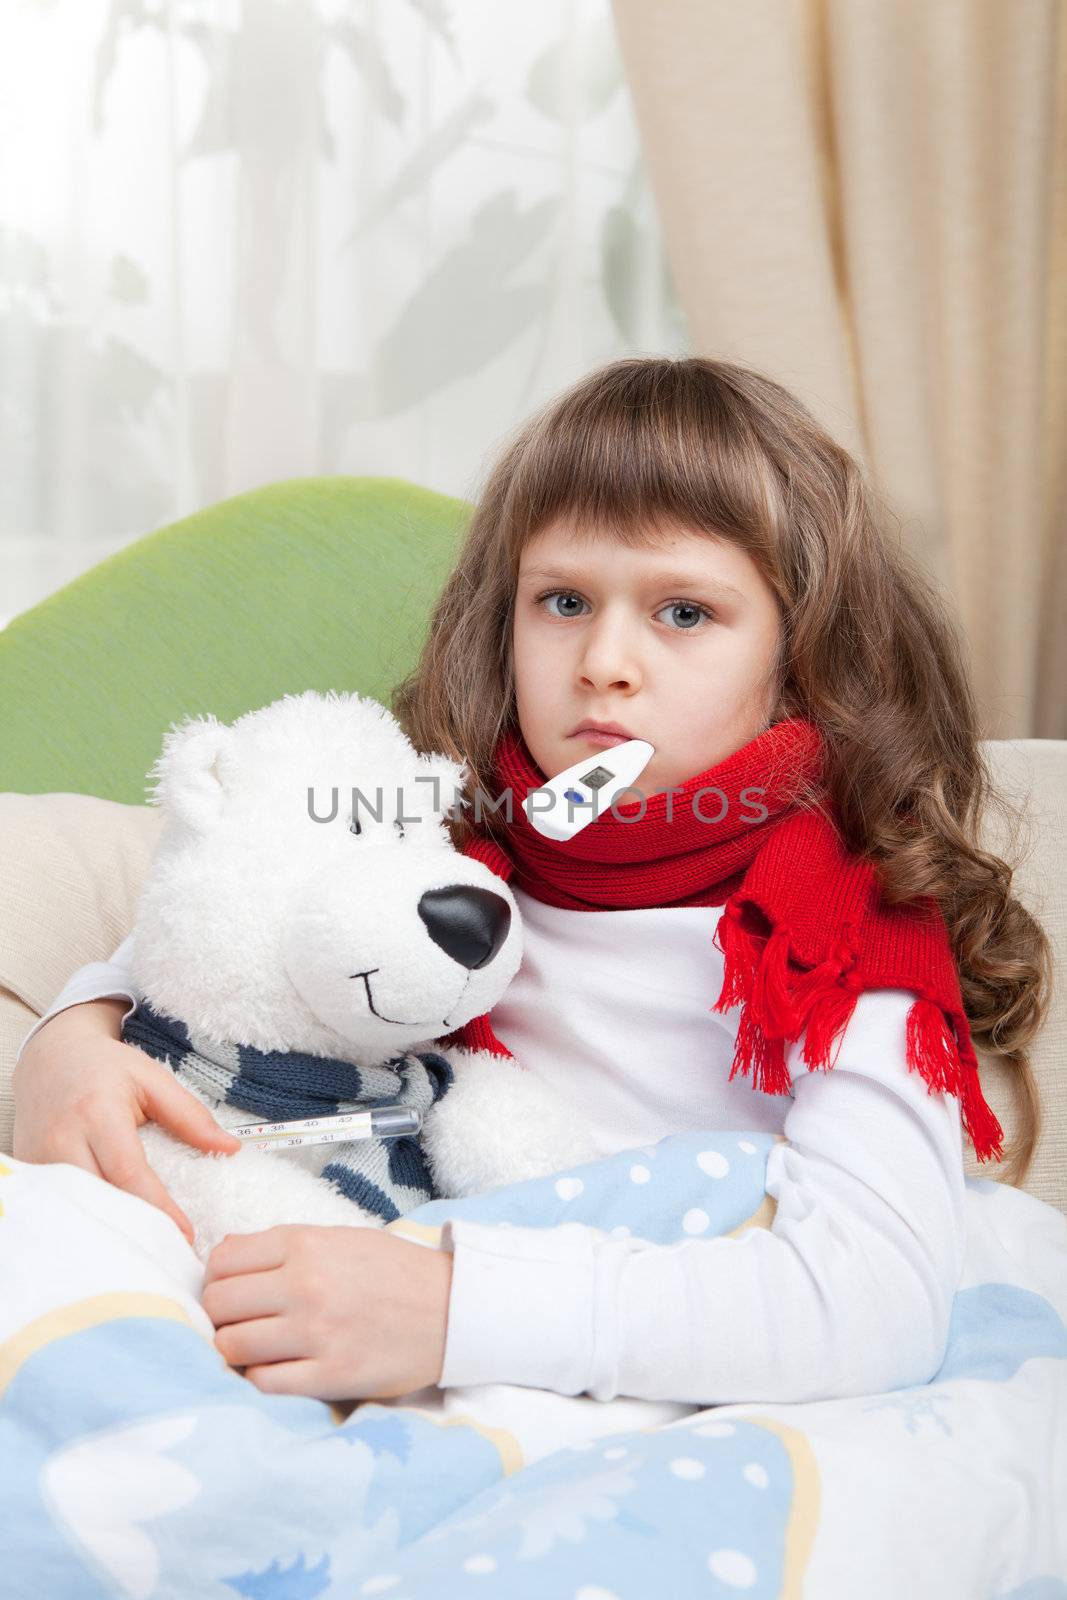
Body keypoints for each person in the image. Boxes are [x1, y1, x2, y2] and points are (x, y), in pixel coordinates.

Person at [12, 357, 1052, 1409]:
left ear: (798, 655)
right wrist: (73, 1036)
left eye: (683, 613)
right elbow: (224, 946)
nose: (603, 659)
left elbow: (870, 1301)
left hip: (646, 1372)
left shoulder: (842, 932)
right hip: (382, 1323)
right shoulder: (435, 846)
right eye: (561, 600)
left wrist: (454, 1311)